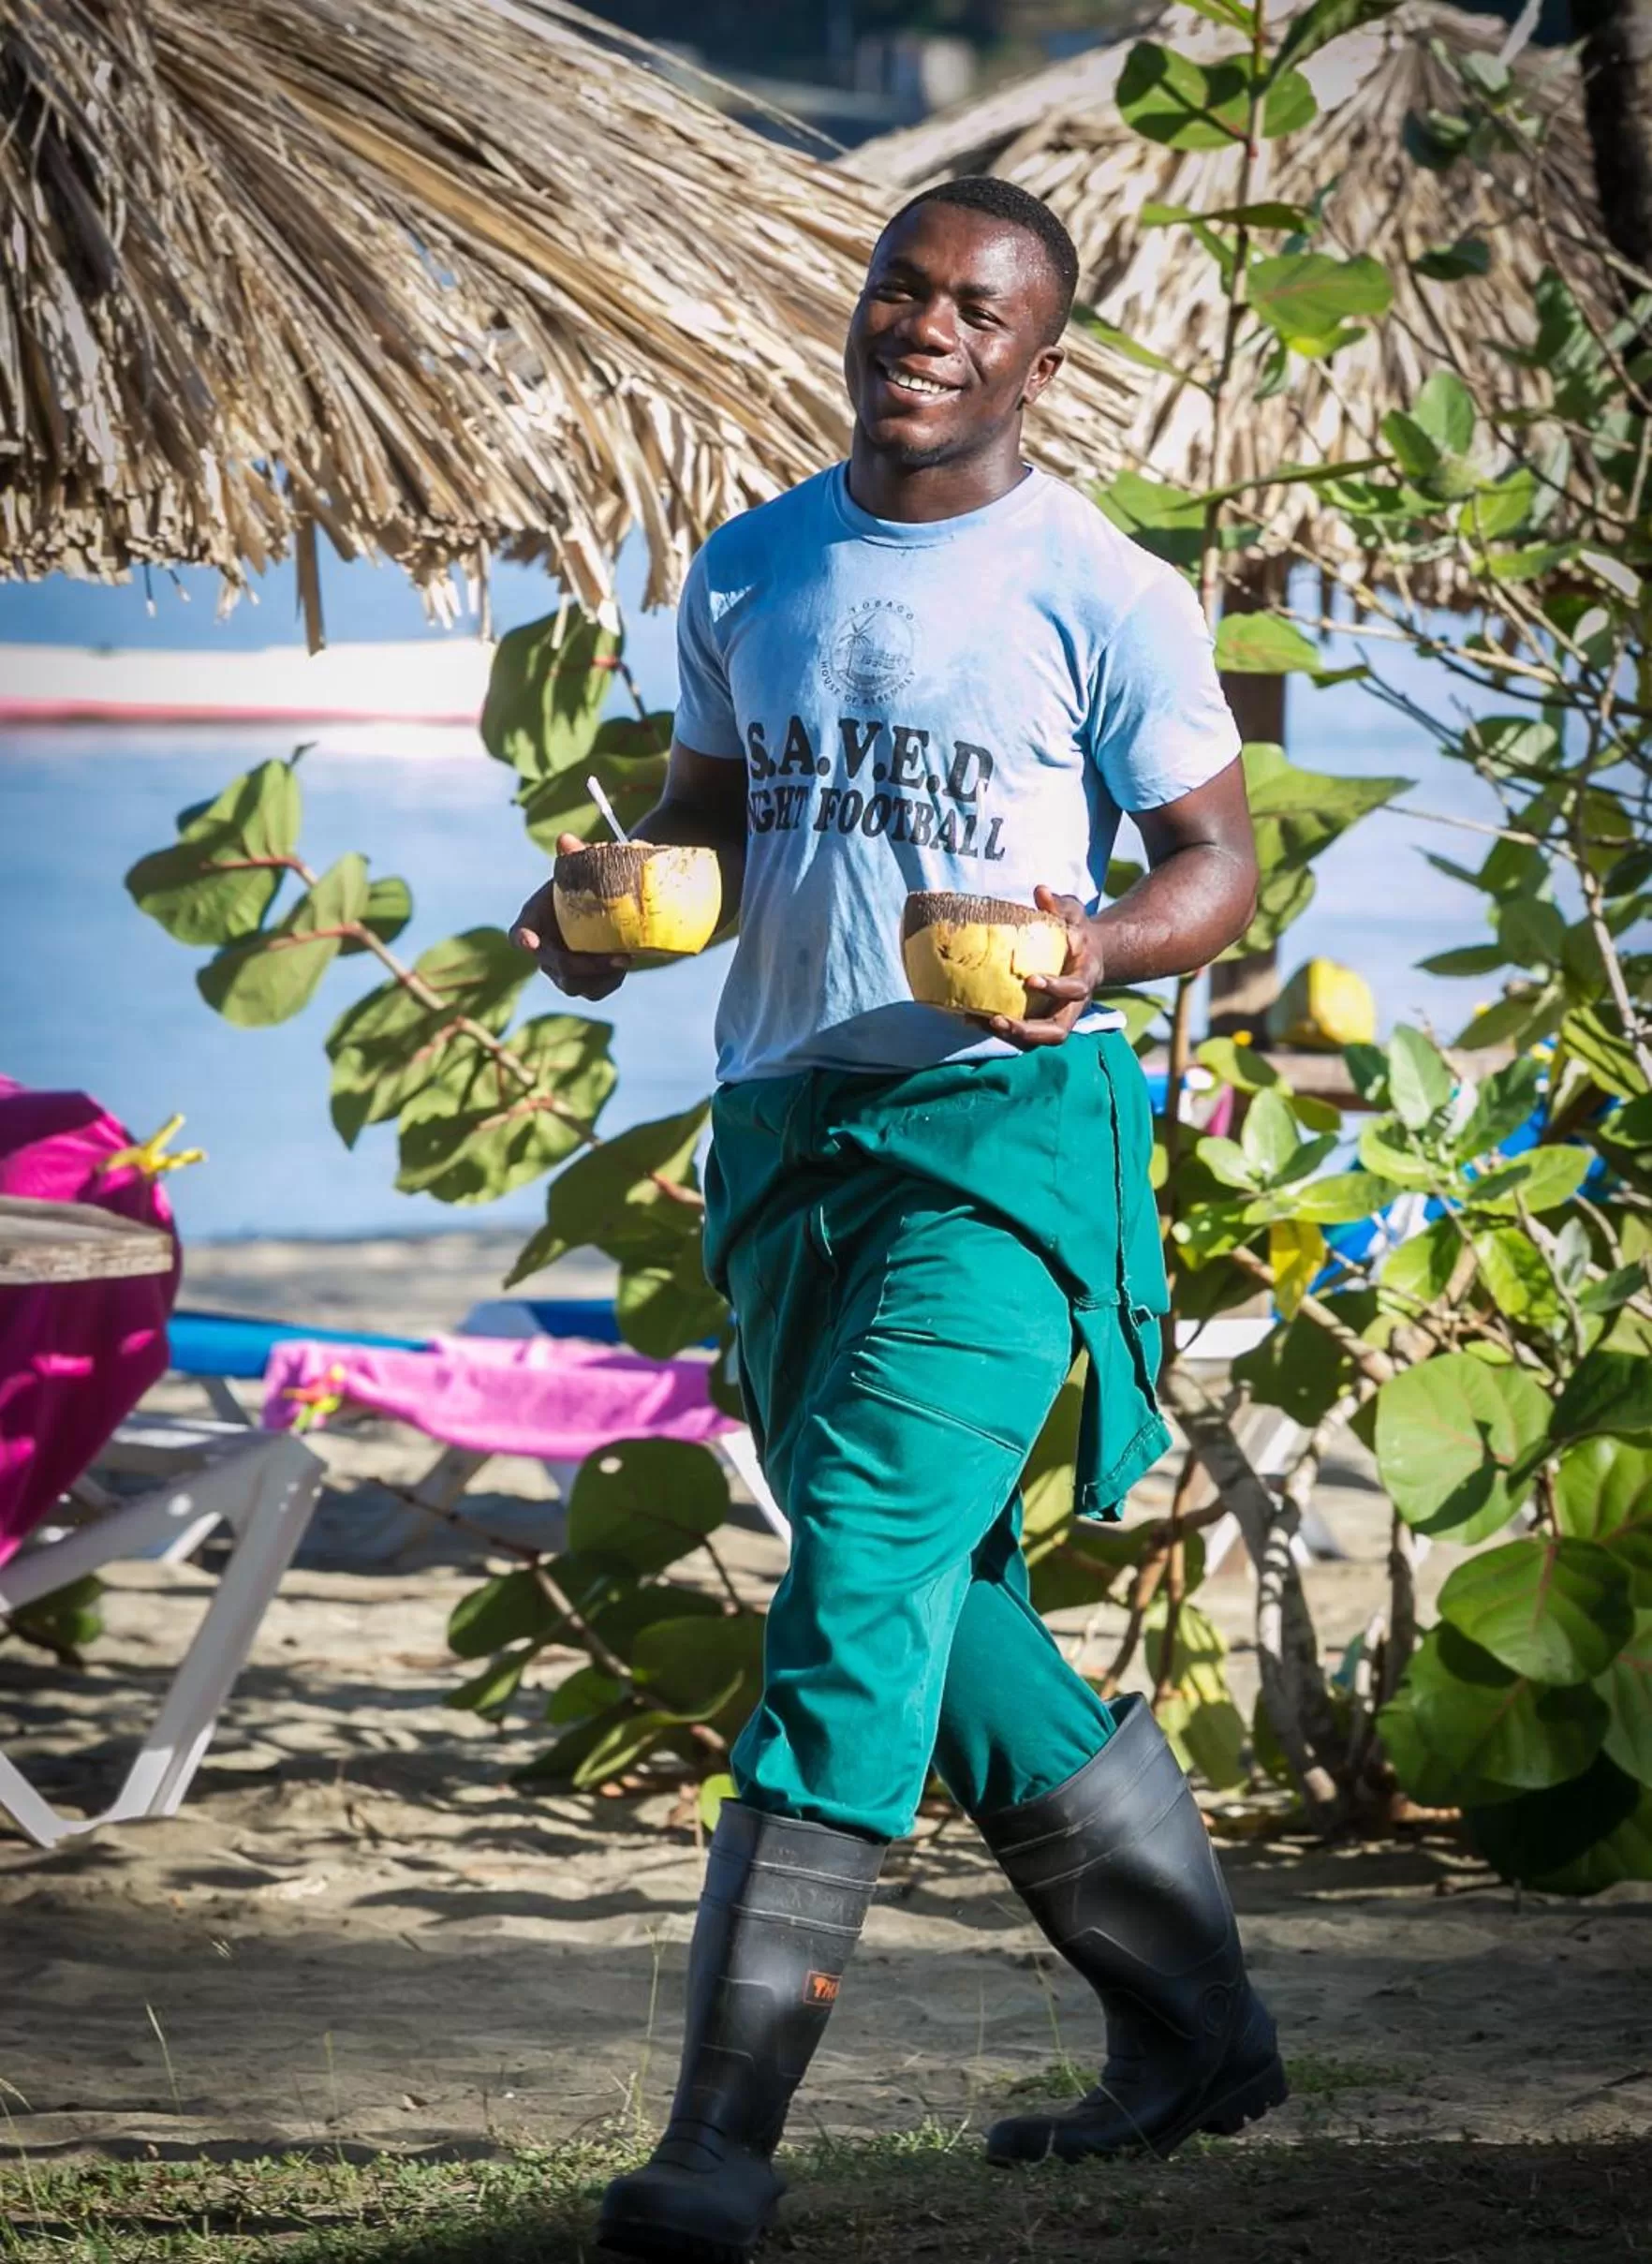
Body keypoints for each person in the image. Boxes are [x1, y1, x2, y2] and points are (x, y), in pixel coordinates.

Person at [513, 175, 1282, 2264]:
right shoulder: (753, 563)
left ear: (1041, 355)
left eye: (977, 308)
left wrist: (1100, 946)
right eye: (901, 290)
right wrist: (601, 911)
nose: (926, 327)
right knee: (936, 1599)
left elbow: (1216, 862)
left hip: (1000, 1137)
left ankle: (719, 2138)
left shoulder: (1103, 588)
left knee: (857, 1566)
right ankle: (1197, 2030)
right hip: (787, 1143)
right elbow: (715, 819)